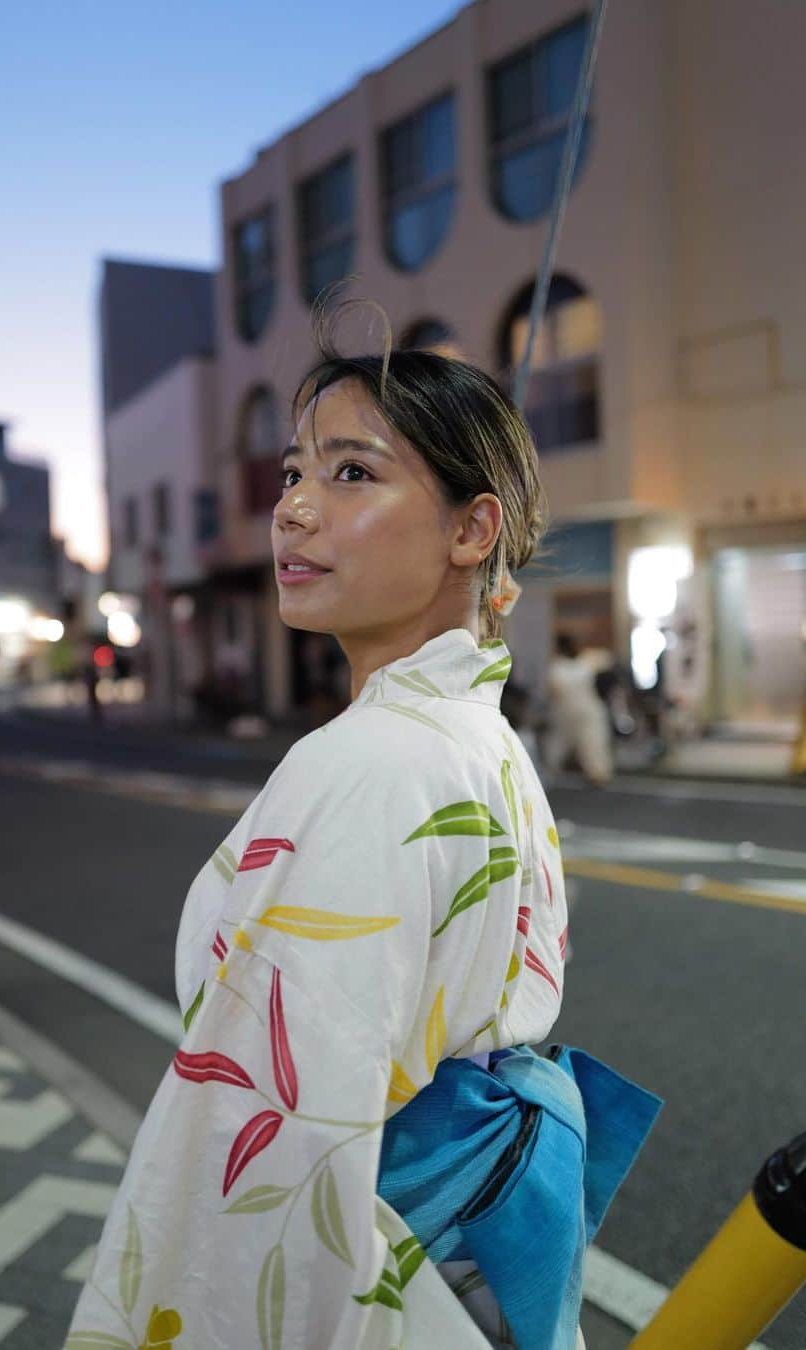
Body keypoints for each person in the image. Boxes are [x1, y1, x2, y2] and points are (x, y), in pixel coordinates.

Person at [66, 322, 658, 1350]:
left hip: (390, 1239)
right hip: (475, 1230)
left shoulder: (367, 761)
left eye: (352, 473)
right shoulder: (483, 738)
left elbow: (282, 1113)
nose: (293, 506)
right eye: (296, 470)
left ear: (473, 532)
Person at [545, 633, 615, 785]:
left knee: (558, 741)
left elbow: (555, 691)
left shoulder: (558, 667)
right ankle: (598, 773)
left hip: (566, 710)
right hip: (589, 707)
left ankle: (550, 771)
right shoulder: (585, 664)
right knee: (593, 742)